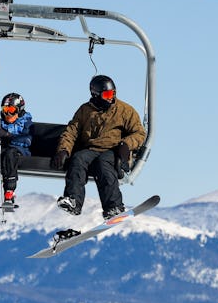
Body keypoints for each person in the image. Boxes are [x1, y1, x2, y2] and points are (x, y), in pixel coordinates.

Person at [50, 75, 147, 218]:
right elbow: (71, 131)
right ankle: (74, 200)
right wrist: (63, 150)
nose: (111, 97)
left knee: (103, 165)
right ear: (95, 94)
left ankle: (113, 207)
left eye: (113, 93)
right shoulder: (85, 110)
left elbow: (139, 133)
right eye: (107, 94)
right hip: (91, 149)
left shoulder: (124, 110)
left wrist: (126, 145)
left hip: (113, 150)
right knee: (78, 159)